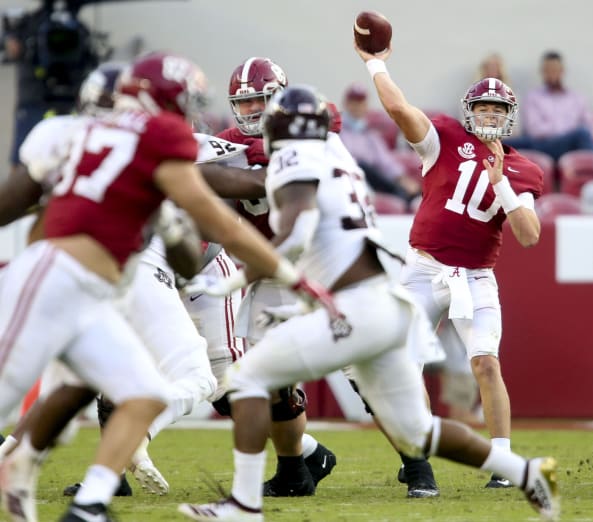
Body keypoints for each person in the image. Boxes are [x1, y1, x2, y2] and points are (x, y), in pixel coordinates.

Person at [177, 84, 560, 522]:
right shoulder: (341, 159)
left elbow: (297, 234)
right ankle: (525, 472)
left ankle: (244, 506)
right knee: (417, 427)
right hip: (382, 304)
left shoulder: (295, 158)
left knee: (247, 381)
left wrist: (237, 280)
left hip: (352, 308)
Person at [0, 51, 337, 522]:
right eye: (183, 101)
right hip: (63, 275)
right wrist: (290, 274)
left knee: (138, 392)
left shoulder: (67, 134)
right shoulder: (161, 137)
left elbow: (13, 202)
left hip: (107, 283)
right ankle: (34, 470)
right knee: (20, 388)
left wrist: (175, 223)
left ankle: (88, 503)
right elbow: (224, 215)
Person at [354, 38, 545, 490]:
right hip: (422, 270)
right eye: (483, 108)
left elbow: (529, 235)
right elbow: (400, 111)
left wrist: (500, 184)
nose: (491, 116)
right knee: (399, 366)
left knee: (486, 363)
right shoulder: (445, 138)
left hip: (475, 276)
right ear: (469, 111)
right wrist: (376, 65)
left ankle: (502, 460)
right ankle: (417, 455)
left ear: (510, 116)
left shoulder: (524, 170)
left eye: (499, 110)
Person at [216, 56, 336, 497]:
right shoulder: (225, 143)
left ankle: (417, 467)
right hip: (269, 273)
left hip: (318, 265)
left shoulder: (305, 132)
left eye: (258, 102)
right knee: (270, 379)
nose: (250, 112)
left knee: (366, 377)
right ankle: (297, 468)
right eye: (243, 104)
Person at [2, 1, 98, 172]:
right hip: (35, 101)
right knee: (24, 160)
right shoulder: (28, 25)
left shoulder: (78, 26)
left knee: (75, 157)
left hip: (70, 100)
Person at [504, 51, 593, 162]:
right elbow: (534, 130)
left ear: (562, 71)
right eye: (547, 70)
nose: (551, 74)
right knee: (581, 134)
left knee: (583, 134)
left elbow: (591, 126)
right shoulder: (533, 97)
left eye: (554, 69)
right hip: (545, 145)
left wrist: (569, 136)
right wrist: (567, 134)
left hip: (572, 144)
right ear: (542, 72)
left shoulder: (577, 98)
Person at [339, 82, 421, 205]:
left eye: (361, 103)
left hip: (372, 178)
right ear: (346, 104)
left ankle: (406, 194)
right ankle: (401, 194)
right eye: (354, 102)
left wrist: (402, 179)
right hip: (350, 177)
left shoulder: (369, 134)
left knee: (378, 173)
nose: (357, 107)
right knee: (361, 165)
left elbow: (385, 161)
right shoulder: (338, 132)